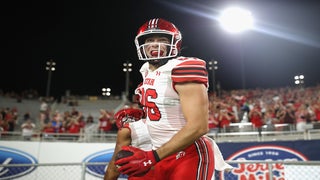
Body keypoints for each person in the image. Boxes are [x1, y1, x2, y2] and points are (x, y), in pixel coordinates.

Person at [115, 18, 215, 179]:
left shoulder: (183, 67)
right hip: (158, 152)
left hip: (187, 154)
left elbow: (199, 127)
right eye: (149, 40)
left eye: (162, 40)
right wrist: (143, 117)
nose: (154, 44)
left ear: (175, 44)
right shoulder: (146, 71)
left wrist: (152, 157)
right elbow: (164, 111)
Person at [104, 107, 154, 180]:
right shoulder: (168, 124)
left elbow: (114, 167)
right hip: (169, 170)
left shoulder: (128, 129)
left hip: (142, 174)